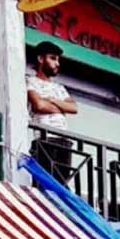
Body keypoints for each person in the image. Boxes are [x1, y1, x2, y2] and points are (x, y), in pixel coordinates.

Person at [27, 41, 78, 182]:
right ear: (41, 59)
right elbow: (39, 105)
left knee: (61, 185)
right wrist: (62, 108)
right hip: (45, 138)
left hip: (64, 140)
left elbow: (74, 108)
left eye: (58, 59)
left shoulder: (59, 88)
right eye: (53, 58)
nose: (58, 64)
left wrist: (52, 100)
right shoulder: (30, 81)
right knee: (44, 185)